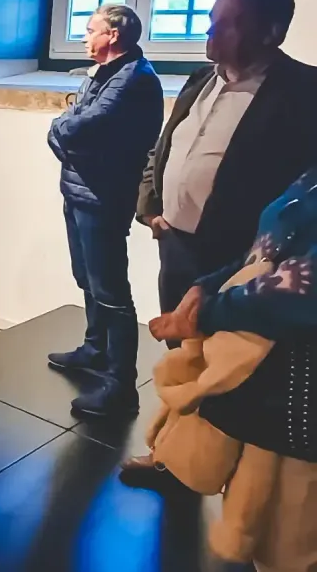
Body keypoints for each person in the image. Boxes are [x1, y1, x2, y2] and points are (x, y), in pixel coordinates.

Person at [126, 164, 317, 572]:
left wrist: (209, 312)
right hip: (272, 391)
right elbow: (267, 249)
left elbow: (305, 291)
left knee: (292, 542)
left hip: (303, 403)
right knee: (257, 525)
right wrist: (209, 284)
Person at [137, 0, 317, 344]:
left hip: (240, 257)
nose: (210, 31)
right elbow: (166, 145)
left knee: (227, 361)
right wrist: (149, 205)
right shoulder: (200, 79)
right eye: (211, 20)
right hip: (175, 244)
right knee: (179, 350)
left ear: (271, 33)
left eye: (227, 24)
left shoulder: (305, 90)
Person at [46, 5, 164, 416]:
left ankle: (120, 385)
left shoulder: (134, 78)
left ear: (113, 35)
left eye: (90, 29)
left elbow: (81, 126)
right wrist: (66, 129)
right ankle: (95, 349)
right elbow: (72, 127)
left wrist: (63, 128)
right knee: (88, 279)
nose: (83, 37)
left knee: (111, 292)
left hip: (104, 197)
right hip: (80, 191)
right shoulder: (104, 73)